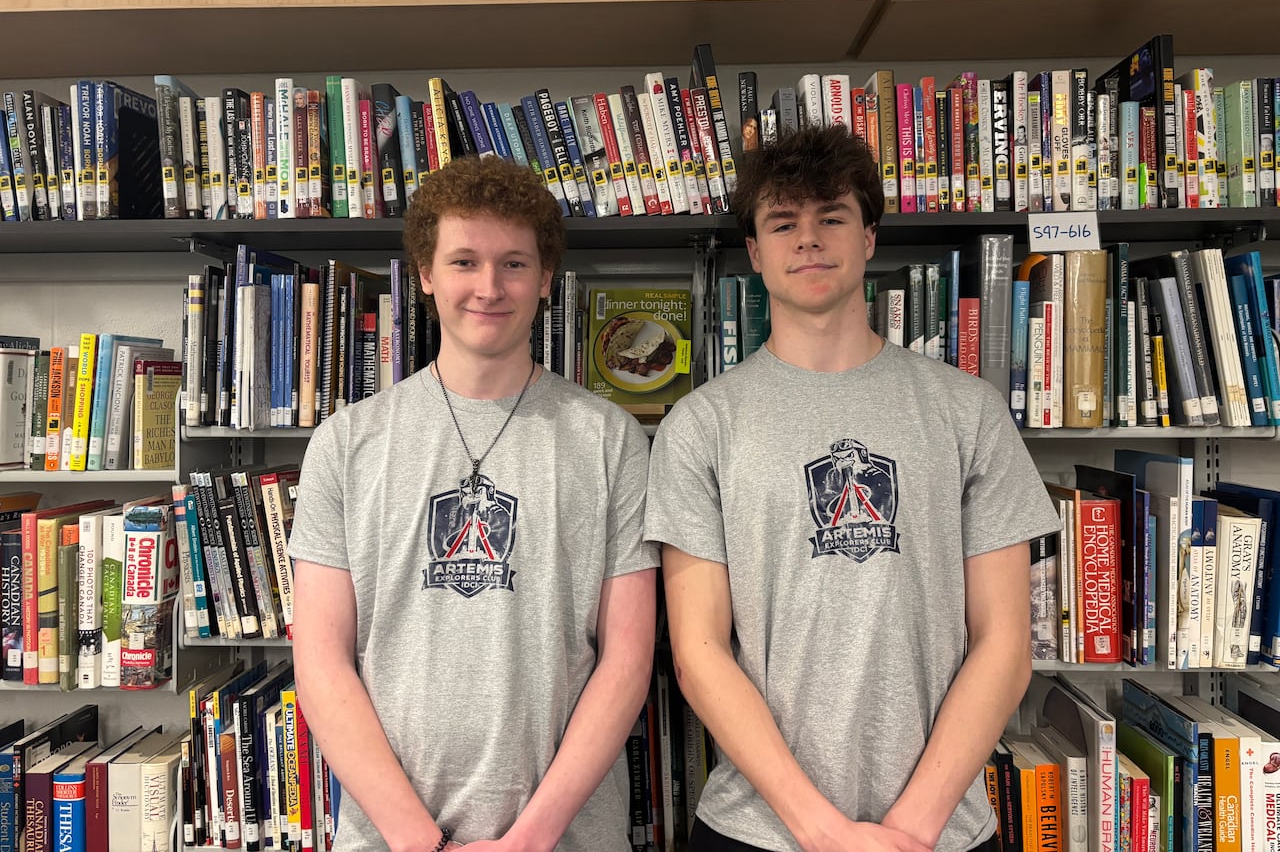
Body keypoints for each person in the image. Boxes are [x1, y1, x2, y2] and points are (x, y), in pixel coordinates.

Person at [644, 125, 1061, 852]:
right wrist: (827, 833)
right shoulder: (700, 425)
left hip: (939, 832)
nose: (808, 239)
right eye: (783, 223)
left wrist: (908, 831)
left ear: (868, 238)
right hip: (759, 829)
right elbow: (698, 652)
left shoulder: (969, 412)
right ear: (755, 253)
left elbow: (1005, 642)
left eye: (831, 217)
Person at [289, 155, 658, 852]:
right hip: (391, 840)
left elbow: (628, 659)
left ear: (547, 279)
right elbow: (322, 660)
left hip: (565, 839)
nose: (488, 287)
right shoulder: (346, 443)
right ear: (426, 274)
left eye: (514, 264)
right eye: (464, 262)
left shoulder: (611, 440)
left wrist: (529, 839)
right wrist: (419, 840)